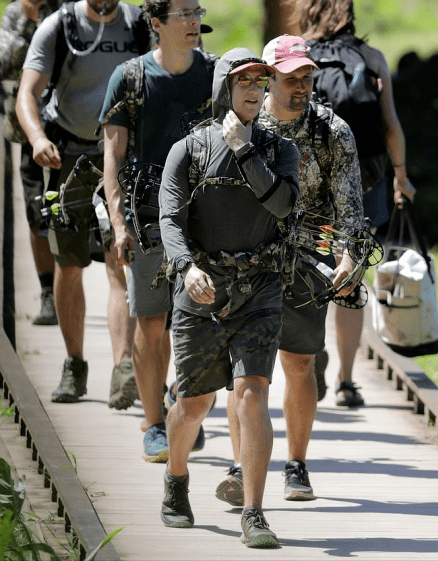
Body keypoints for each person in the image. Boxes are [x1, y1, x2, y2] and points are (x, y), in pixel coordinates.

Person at [158, 47, 299, 547]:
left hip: (259, 289)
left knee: (252, 393)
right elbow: (170, 220)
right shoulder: (188, 151)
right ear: (223, 88)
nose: (254, 90)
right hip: (201, 289)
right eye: (243, 82)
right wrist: (185, 266)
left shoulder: (280, 149)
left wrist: (243, 150)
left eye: (260, 83)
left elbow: (282, 205)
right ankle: (176, 481)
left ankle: (255, 512)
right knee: (195, 403)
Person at [215, 35, 364, 507]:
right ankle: (241, 465)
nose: (300, 87)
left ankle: (296, 462)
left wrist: (349, 256)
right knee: (245, 372)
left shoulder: (330, 131)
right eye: (290, 78)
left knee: (300, 364)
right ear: (268, 78)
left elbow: (350, 205)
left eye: (307, 78)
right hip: (247, 260)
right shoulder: (241, 123)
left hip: (305, 261)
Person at [16, 0, 149, 406]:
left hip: (123, 154)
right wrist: (38, 138)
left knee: (118, 259)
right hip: (69, 153)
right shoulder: (60, 27)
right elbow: (28, 93)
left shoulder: (138, 24)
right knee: (69, 263)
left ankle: (123, 369)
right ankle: (75, 365)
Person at [99, 0, 215, 463]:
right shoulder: (130, 80)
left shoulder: (214, 74)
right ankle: (152, 425)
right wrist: (118, 224)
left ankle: (184, 409)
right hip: (147, 216)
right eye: (183, 14)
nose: (194, 22)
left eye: (197, 11)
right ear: (156, 24)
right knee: (150, 321)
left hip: (204, 216)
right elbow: (112, 156)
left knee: (199, 317)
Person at [298, 0, 416, 407]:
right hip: (365, 182)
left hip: (309, 184)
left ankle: (311, 353)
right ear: (349, 15)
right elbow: (391, 126)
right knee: (351, 280)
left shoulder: (298, 55)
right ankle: (346, 381)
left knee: (307, 271)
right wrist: (400, 175)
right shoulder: (371, 58)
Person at [0, 0, 60, 326]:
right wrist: (28, 21)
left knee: (68, 210)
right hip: (27, 127)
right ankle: (47, 293)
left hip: (69, 123)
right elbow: (5, 66)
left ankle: (66, 288)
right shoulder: (15, 13)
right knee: (36, 211)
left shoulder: (74, 9)